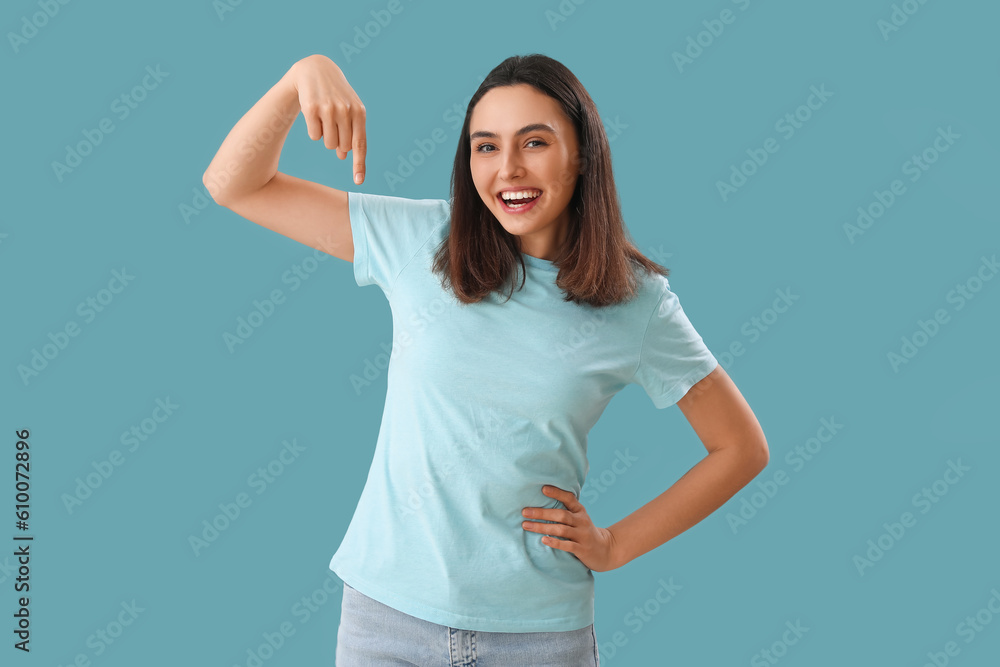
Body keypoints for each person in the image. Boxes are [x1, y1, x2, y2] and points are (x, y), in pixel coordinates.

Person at [202, 52, 769, 667]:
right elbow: (234, 185)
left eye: (535, 142)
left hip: (538, 637)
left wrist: (613, 545)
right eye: (485, 147)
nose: (508, 170)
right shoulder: (420, 242)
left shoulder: (636, 302)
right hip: (385, 622)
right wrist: (299, 78)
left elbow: (740, 448)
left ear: (582, 153)